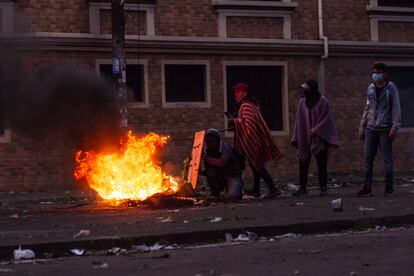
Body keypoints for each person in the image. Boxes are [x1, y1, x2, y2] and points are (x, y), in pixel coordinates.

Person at [229, 82, 283, 199]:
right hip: (256, 138)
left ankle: (273, 188)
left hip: (253, 139)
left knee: (257, 164)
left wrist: (234, 121)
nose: (235, 95)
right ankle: (256, 190)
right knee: (255, 165)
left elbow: (249, 124)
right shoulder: (251, 104)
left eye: (237, 92)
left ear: (244, 93)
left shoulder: (246, 106)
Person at [357, 63, 401, 197]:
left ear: (384, 73)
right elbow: (368, 107)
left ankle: (389, 188)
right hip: (371, 128)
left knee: (387, 160)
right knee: (368, 160)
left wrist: (395, 127)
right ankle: (367, 188)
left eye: (378, 72)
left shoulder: (391, 88)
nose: (375, 74)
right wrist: (362, 125)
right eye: (374, 72)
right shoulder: (370, 88)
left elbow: (396, 108)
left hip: (385, 129)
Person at [291, 80, 339, 196]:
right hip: (305, 137)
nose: (305, 90)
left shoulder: (323, 101)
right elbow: (299, 120)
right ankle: (302, 187)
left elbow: (326, 119)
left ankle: (323, 187)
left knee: (322, 164)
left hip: (320, 138)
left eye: (307, 88)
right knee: (303, 162)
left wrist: (316, 130)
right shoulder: (302, 102)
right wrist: (300, 135)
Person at [203, 128, 244, 200]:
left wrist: (207, 158)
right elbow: (209, 169)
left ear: (217, 140)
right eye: (208, 141)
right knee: (210, 171)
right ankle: (215, 194)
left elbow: (221, 162)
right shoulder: (209, 151)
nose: (210, 143)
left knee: (233, 197)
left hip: (233, 176)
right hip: (222, 176)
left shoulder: (225, 147)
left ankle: (237, 188)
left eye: (212, 141)